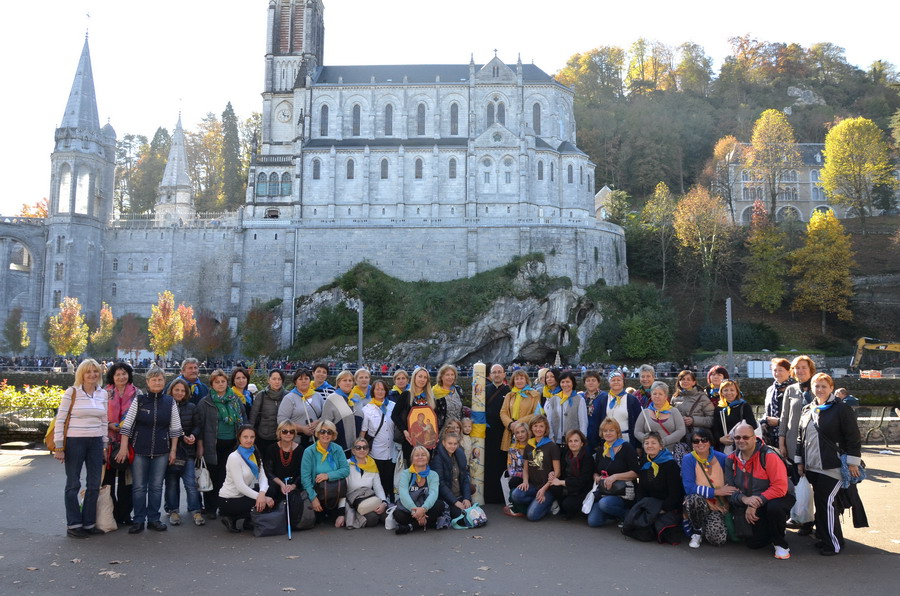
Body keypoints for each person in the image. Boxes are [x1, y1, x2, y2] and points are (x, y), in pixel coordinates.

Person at [797, 373, 864, 556]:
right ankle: (833, 539)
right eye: (816, 386)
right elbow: (800, 438)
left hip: (832, 466)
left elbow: (853, 437)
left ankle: (831, 545)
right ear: (812, 388)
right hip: (812, 466)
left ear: (831, 388)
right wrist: (799, 461)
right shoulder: (807, 409)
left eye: (823, 386)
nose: (819, 389)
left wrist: (852, 462)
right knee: (824, 504)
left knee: (825, 503)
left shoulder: (841, 409)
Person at [117, 366, 183, 534]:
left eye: (160, 379)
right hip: (139, 450)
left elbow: (175, 429)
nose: (157, 382)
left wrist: (173, 450)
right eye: (153, 379)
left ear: (164, 381)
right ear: (147, 382)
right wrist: (124, 447)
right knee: (139, 487)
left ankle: (154, 518)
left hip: (162, 451)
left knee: (156, 487)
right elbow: (127, 426)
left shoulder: (170, 402)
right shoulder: (139, 400)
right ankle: (138, 519)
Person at [53, 359, 109, 538]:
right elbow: (60, 420)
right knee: (73, 484)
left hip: (95, 442)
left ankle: (89, 522)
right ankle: (74, 524)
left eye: (96, 371)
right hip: (75, 441)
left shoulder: (103, 394)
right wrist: (59, 446)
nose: (92, 375)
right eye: (88, 372)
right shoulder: (72, 392)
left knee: (94, 484)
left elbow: (104, 421)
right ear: (81, 374)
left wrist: (104, 444)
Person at [725, 422, 795, 559]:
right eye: (737, 437)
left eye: (745, 437)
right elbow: (729, 490)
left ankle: (781, 544)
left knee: (774, 508)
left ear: (754, 437)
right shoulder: (730, 460)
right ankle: (772, 527)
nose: (741, 441)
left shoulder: (769, 456)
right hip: (751, 500)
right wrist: (744, 499)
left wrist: (754, 503)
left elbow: (780, 487)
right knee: (754, 543)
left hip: (778, 497)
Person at [196, 369, 248, 520]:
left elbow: (243, 418)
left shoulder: (235, 400)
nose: (220, 384)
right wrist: (200, 446)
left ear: (227, 383)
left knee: (228, 478)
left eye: (223, 381)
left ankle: (225, 507)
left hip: (232, 445)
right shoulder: (205, 402)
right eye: (217, 382)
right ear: (212, 384)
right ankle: (211, 508)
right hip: (212, 445)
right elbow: (200, 426)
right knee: (212, 477)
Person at [778, 355, 816, 534]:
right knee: (798, 482)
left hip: (813, 444)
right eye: (797, 368)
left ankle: (817, 519)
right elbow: (784, 417)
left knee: (815, 484)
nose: (800, 371)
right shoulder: (790, 390)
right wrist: (781, 441)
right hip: (793, 443)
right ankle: (803, 520)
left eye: (804, 367)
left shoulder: (818, 388)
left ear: (810, 370)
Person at [681, 428, 735, 548]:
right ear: (692, 444)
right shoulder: (688, 459)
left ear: (710, 442)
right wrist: (716, 491)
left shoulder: (722, 458)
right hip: (700, 502)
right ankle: (697, 530)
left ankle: (705, 524)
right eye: (696, 441)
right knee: (693, 499)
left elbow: (730, 482)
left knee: (718, 540)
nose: (700, 443)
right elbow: (689, 488)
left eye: (704, 440)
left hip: (718, 505)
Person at [218, 425, 275, 532]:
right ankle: (230, 518)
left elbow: (263, 477)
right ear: (239, 438)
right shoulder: (234, 457)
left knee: (271, 490)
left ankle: (249, 521)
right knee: (265, 502)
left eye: (252, 437)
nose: (249, 440)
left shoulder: (254, 453)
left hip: (243, 496)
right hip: (229, 499)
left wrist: (262, 494)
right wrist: (262, 498)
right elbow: (240, 486)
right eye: (245, 437)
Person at [164, 378, 204, 527]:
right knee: (171, 483)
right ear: (171, 391)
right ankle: (173, 510)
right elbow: (165, 427)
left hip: (187, 452)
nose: (180, 393)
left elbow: (197, 425)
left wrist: (193, 435)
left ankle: (195, 510)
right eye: (177, 390)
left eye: (182, 390)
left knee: (190, 483)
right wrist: (182, 437)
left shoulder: (192, 407)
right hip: (170, 451)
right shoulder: (165, 406)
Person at [103, 361, 139, 526]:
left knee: (128, 481)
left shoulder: (137, 393)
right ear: (112, 376)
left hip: (130, 442)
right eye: (118, 374)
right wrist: (109, 424)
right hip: (108, 442)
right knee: (107, 481)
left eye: (124, 373)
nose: (121, 377)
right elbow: (99, 415)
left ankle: (125, 514)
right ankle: (112, 512)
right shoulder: (104, 393)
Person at [631, 432, 684, 543]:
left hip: (667, 506)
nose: (650, 446)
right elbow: (641, 489)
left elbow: (675, 493)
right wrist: (642, 506)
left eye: (653, 443)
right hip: (651, 505)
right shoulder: (645, 462)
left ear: (661, 446)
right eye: (646, 443)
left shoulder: (670, 465)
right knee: (638, 529)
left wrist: (662, 509)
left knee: (661, 531)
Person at [587, 418, 640, 528]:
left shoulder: (627, 447)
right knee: (593, 521)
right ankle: (612, 513)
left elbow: (636, 473)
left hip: (623, 492)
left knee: (604, 504)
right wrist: (596, 477)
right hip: (605, 491)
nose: (608, 433)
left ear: (617, 432)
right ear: (602, 433)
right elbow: (595, 472)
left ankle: (626, 515)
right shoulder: (601, 450)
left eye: (611, 430)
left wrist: (615, 477)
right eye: (605, 431)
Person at [510, 415, 561, 521]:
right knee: (516, 495)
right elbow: (526, 468)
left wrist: (543, 489)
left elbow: (558, 472)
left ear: (546, 429)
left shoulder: (552, 446)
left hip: (547, 488)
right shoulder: (529, 445)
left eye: (541, 426)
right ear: (531, 428)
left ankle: (549, 503)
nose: (538, 429)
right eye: (535, 426)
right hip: (533, 486)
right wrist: (525, 481)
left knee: (532, 515)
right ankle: (536, 501)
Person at [299, 420, 351, 526]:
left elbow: (346, 470)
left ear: (333, 435)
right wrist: (313, 499)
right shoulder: (309, 451)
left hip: (336, 493)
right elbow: (305, 478)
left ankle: (340, 514)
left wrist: (327, 476)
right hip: (317, 494)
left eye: (329, 432)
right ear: (317, 433)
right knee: (318, 520)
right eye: (322, 431)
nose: (326, 435)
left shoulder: (338, 449)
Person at [393, 446, 445, 534]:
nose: (420, 457)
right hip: (411, 509)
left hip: (427, 508)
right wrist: (415, 511)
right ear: (412, 459)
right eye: (417, 455)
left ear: (427, 459)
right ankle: (425, 522)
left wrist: (423, 509)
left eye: (423, 455)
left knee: (440, 505)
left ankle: (411, 526)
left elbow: (434, 494)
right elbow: (403, 495)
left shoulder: (433, 475)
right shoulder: (405, 474)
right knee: (398, 514)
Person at [358, 379, 395, 501]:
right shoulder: (367, 409)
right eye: (377, 389)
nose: (380, 391)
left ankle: (389, 500)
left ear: (386, 391)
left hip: (392, 451)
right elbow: (363, 432)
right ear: (373, 391)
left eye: (382, 389)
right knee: (378, 479)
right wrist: (361, 449)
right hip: (376, 451)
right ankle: (378, 501)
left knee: (390, 478)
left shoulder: (392, 406)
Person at [586, 371, 642, 451]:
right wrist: (596, 443)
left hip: (627, 440)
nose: (616, 382)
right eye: (613, 380)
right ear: (609, 383)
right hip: (607, 440)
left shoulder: (632, 400)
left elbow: (638, 423)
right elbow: (598, 421)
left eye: (618, 380)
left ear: (623, 382)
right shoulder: (603, 400)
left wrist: (638, 446)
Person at [392, 367, 437, 462]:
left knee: (426, 468)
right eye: (420, 376)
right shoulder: (406, 395)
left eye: (425, 377)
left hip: (427, 441)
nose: (422, 379)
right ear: (414, 377)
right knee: (411, 469)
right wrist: (404, 430)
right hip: (411, 440)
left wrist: (435, 435)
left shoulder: (430, 397)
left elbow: (434, 419)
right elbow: (394, 415)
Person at [548, 429, 594, 519]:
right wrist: (552, 472)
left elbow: (582, 481)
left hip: (582, 490)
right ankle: (565, 508)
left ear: (582, 443)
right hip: (569, 487)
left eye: (576, 441)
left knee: (568, 504)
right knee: (554, 488)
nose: (573, 443)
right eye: (570, 441)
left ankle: (575, 510)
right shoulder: (566, 455)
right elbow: (559, 470)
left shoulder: (587, 458)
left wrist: (561, 482)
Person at [634, 381, 686, 461]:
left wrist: (663, 442)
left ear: (665, 396)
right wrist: (650, 442)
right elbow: (637, 432)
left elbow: (681, 430)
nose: (657, 396)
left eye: (660, 394)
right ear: (651, 395)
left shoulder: (674, 411)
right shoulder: (644, 412)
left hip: (671, 452)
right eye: (654, 394)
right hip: (650, 454)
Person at [344, 438, 389, 528]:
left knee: (386, 516)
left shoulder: (372, 463)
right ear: (353, 451)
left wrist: (384, 503)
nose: (362, 450)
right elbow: (342, 490)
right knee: (372, 519)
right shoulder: (347, 464)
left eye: (365, 448)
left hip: (369, 497)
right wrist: (340, 513)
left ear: (368, 450)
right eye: (358, 447)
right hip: (353, 501)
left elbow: (378, 487)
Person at [483, 364, 510, 505]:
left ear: (504, 374)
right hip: (487, 433)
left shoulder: (509, 391)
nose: (497, 375)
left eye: (500, 372)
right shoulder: (484, 390)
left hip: (504, 433)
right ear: (490, 375)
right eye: (494, 372)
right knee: (488, 464)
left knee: (502, 463)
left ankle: (501, 496)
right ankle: (488, 495)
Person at [499, 369, 541, 457]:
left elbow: (537, 413)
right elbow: (503, 412)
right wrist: (510, 424)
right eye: (516, 379)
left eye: (521, 378)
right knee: (512, 458)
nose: (519, 381)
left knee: (527, 458)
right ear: (513, 381)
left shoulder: (535, 395)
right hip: (511, 431)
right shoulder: (509, 395)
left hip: (527, 430)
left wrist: (519, 423)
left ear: (526, 380)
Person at [278, 368, 323, 448]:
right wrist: (302, 429)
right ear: (295, 382)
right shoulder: (289, 398)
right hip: (296, 441)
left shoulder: (317, 396)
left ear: (310, 381)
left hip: (316, 440)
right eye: (300, 379)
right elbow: (281, 420)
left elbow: (326, 415)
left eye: (306, 378)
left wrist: (318, 422)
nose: (304, 381)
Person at [263, 420, 304, 508]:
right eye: (285, 431)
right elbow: (268, 471)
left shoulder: (300, 450)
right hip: (275, 483)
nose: (288, 434)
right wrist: (282, 484)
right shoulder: (272, 448)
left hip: (294, 484)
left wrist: (293, 486)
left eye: (291, 431)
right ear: (279, 432)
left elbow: (302, 472)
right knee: (271, 491)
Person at [431, 432, 472, 519]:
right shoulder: (437, 459)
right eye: (450, 443)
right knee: (461, 517)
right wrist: (455, 502)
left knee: (474, 515)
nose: (452, 446)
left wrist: (467, 498)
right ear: (443, 443)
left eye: (455, 444)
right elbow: (440, 484)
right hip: (446, 499)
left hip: (459, 496)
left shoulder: (460, 455)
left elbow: (465, 478)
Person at [712, 379, 757, 455]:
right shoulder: (719, 409)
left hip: (741, 446)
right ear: (721, 393)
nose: (729, 393)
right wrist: (720, 439)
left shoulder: (744, 406)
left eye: (732, 390)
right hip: (723, 448)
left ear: (737, 392)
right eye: (725, 390)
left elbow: (752, 425)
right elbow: (715, 428)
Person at [544, 370, 588, 448]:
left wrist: (581, 440)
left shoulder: (579, 400)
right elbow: (549, 420)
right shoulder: (554, 399)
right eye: (562, 382)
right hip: (555, 441)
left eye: (568, 382)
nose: (565, 384)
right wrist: (551, 437)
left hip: (573, 442)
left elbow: (583, 422)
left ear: (572, 383)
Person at [249, 369, 287, 456]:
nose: (277, 382)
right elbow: (253, 417)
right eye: (274, 379)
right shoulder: (261, 395)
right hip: (263, 437)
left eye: (279, 379)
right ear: (268, 380)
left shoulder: (287, 396)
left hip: (282, 437)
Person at [322, 370, 360, 454]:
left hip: (358, 448)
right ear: (338, 382)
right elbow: (325, 423)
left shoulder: (357, 397)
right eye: (344, 380)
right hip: (339, 447)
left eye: (350, 380)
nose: (348, 383)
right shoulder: (332, 399)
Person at [672, 370, 714, 441]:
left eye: (688, 379)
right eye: (682, 379)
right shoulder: (674, 398)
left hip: (698, 437)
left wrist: (693, 420)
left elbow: (712, 420)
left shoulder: (702, 398)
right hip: (679, 437)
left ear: (694, 382)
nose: (685, 381)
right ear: (679, 381)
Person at [762, 358, 792, 448]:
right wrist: (764, 422)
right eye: (775, 370)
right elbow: (767, 411)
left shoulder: (794, 389)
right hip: (771, 436)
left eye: (780, 370)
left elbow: (797, 416)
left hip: (789, 435)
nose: (777, 373)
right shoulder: (770, 390)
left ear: (789, 372)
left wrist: (779, 422)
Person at [502, 421, 530, 517]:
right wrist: (522, 477)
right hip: (518, 478)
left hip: (532, 477)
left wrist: (526, 477)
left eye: (523, 432)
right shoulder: (512, 449)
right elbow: (511, 469)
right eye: (517, 433)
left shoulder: (533, 447)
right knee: (514, 481)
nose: (520, 435)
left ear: (527, 432)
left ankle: (516, 508)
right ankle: (520, 509)